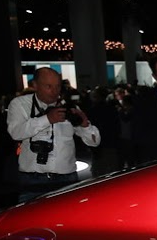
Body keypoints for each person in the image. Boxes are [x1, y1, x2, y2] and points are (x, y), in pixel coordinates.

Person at [6, 66, 102, 201]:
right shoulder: (21, 104)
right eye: (48, 86)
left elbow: (94, 141)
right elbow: (16, 133)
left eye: (57, 86)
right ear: (35, 85)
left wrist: (85, 124)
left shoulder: (67, 107)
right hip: (33, 179)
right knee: (33, 214)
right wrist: (47, 119)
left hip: (67, 178)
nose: (54, 91)